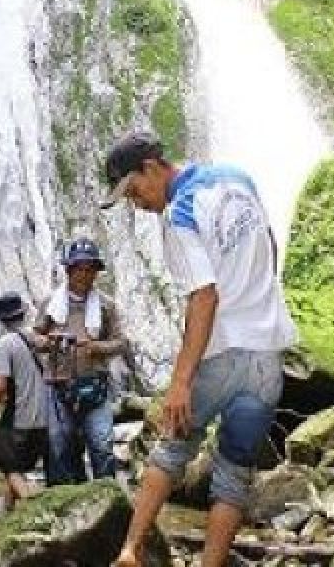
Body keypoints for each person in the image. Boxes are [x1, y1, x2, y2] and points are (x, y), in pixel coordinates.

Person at [100, 131, 298, 567]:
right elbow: (269, 243)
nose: (138, 203)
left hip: (223, 353)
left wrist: (180, 381)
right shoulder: (238, 179)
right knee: (234, 471)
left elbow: (204, 296)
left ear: (152, 168)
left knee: (171, 445)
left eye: (134, 191)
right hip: (267, 356)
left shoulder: (180, 214)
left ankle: (130, 552)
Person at [33, 236, 127, 484]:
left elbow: (121, 343)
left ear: (96, 273)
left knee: (101, 443)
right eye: (79, 269)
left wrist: (96, 347)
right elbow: (35, 335)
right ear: (68, 271)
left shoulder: (107, 306)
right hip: (58, 386)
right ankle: (61, 502)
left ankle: (107, 498)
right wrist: (44, 342)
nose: (85, 275)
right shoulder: (50, 305)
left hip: (95, 385)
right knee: (59, 444)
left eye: (90, 270)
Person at [0, 292, 49, 509]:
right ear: (22, 314)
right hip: (42, 420)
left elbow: (0, 385)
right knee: (15, 467)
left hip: (20, 420)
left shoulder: (5, 344)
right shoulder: (32, 339)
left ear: (1, 318)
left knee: (7, 464)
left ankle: (31, 508)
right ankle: (8, 515)